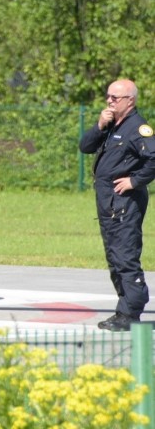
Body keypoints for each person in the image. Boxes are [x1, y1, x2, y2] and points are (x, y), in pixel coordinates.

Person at [79, 79, 155, 331]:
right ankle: (125, 308)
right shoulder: (111, 125)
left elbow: (153, 158)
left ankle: (130, 313)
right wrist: (100, 126)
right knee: (114, 256)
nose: (109, 101)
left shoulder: (138, 128)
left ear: (130, 101)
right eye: (108, 96)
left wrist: (135, 180)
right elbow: (85, 146)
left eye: (115, 97)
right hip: (108, 201)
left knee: (125, 256)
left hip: (125, 202)